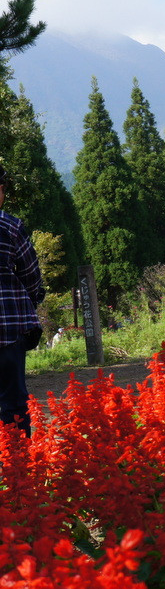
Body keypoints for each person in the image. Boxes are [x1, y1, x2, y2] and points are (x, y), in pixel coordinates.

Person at [0, 165, 44, 436]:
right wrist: (32, 298)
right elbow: (30, 274)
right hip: (7, 330)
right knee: (12, 401)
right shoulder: (10, 226)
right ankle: (17, 468)